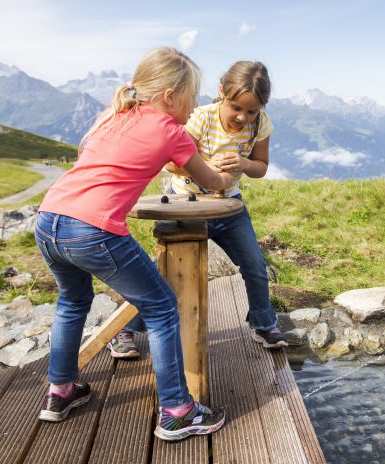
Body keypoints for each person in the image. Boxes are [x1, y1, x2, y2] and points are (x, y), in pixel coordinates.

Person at [33, 47, 234, 442]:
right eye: (192, 96)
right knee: (161, 307)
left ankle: (60, 391)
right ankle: (177, 411)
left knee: (72, 302)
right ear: (170, 96)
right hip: (92, 229)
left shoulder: (113, 116)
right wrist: (228, 175)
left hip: (48, 220)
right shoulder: (172, 131)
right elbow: (209, 182)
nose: (196, 104)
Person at [108, 60, 286, 361]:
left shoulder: (261, 124)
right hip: (185, 203)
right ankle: (126, 329)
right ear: (221, 93)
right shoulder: (202, 118)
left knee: (255, 265)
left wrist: (244, 164)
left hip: (228, 207)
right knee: (159, 269)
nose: (243, 117)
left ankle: (263, 323)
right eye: (236, 108)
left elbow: (261, 168)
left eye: (252, 111)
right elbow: (171, 162)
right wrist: (204, 170)